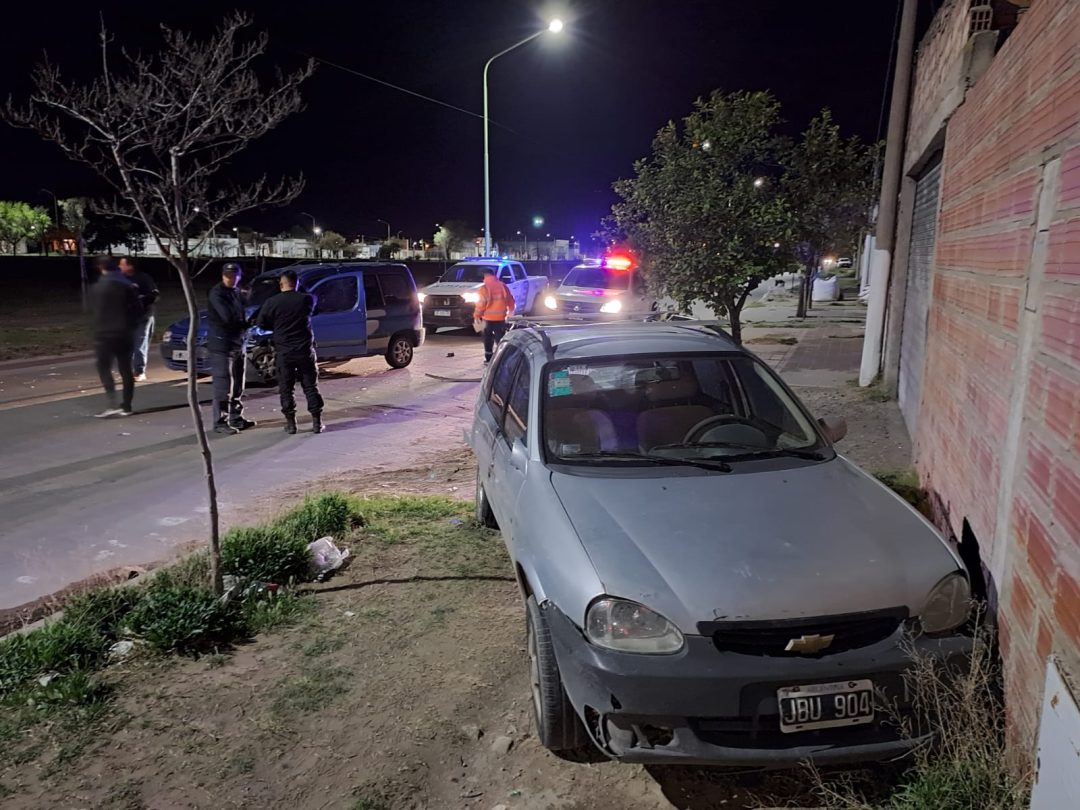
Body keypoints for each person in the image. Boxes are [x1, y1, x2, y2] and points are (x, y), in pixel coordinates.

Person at [257, 269, 326, 434]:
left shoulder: (271, 302)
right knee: (310, 386)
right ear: (297, 284)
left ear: (281, 284)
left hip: (284, 352)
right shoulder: (307, 299)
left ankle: (291, 424)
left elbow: (262, 325)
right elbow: (313, 305)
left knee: (286, 389)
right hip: (304, 351)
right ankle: (316, 422)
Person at [89, 256, 142, 418]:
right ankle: (127, 405)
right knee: (125, 368)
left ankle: (112, 403)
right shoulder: (126, 286)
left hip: (105, 334)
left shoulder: (97, 287)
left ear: (100, 268)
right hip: (124, 332)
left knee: (104, 367)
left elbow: (93, 313)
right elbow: (138, 309)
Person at [206, 263, 255, 434]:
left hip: (237, 343)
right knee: (223, 385)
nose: (231, 279)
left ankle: (236, 417)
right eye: (228, 275)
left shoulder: (236, 292)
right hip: (221, 344)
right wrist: (246, 323)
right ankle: (220, 422)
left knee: (238, 383)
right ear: (222, 275)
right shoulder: (217, 293)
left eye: (234, 276)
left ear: (239, 276)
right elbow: (227, 318)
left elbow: (243, 309)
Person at [119, 257, 159, 381]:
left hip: (143, 316)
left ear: (130, 266)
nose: (119, 267)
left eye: (122, 264)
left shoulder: (143, 278)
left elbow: (154, 295)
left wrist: (141, 300)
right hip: (127, 317)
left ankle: (139, 371)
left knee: (140, 343)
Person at [474, 267, 516, 363]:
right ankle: (502, 358)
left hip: (487, 319)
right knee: (500, 339)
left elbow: (480, 305)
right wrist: (511, 311)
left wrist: (476, 316)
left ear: (485, 276)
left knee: (487, 339)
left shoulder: (484, 288)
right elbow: (510, 300)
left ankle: (488, 358)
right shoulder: (503, 286)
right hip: (500, 318)